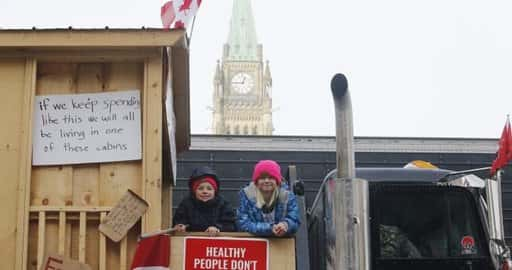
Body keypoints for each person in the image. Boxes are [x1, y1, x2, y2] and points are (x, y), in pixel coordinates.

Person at [237, 160, 300, 236]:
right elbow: (243, 223)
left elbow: (295, 220)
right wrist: (269, 228)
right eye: (262, 178)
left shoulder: (287, 196)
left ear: (277, 181)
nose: (266, 181)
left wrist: (285, 225)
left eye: (271, 178)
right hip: (255, 241)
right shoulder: (247, 195)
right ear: (256, 182)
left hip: (282, 242)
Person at [172, 166, 236, 236]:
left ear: (215, 191)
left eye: (209, 189)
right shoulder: (186, 204)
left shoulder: (223, 204)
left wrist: (217, 228)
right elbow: (179, 220)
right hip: (191, 241)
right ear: (194, 191)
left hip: (216, 243)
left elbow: (230, 225)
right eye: (200, 188)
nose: (205, 191)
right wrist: (180, 226)